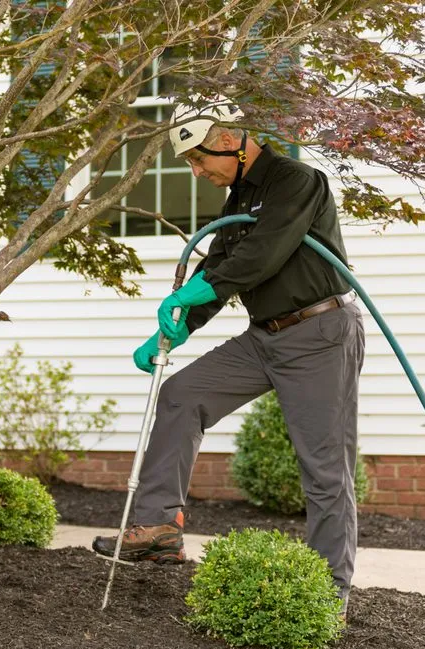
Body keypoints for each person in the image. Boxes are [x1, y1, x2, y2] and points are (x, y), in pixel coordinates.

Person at [92, 98, 365, 611]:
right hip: (264, 336)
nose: (196, 172)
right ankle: (158, 528)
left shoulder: (296, 181)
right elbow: (219, 267)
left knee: (324, 467)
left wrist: (204, 287)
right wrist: (173, 332)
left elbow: (262, 255)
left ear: (229, 141)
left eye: (198, 160)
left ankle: (329, 594)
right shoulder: (240, 196)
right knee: (182, 394)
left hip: (320, 332)